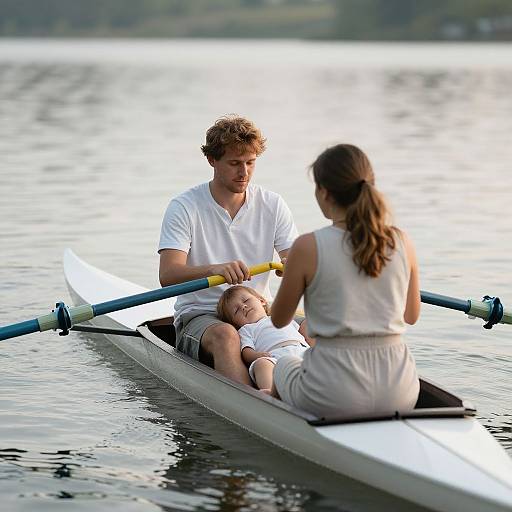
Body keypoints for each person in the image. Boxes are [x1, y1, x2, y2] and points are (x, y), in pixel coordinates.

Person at [270, 143, 421, 418]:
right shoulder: (402, 240)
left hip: (334, 393)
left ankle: (276, 417)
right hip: (402, 390)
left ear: (324, 192)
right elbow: (411, 316)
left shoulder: (307, 246)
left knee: (283, 364)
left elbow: (279, 320)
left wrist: (296, 276)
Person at [158, 115, 298, 386]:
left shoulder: (273, 204)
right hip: (202, 315)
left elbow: (292, 259)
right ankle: (259, 408)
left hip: (257, 311)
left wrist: (293, 267)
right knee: (226, 336)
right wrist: (215, 269)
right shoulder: (184, 207)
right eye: (234, 163)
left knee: (317, 325)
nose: (243, 173)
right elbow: (168, 274)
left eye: (250, 163)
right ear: (212, 160)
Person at [217, 285, 312, 391]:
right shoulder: (246, 330)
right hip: (274, 356)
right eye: (236, 311)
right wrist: (256, 355)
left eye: (246, 300)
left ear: (261, 300)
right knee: (261, 365)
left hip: (301, 349)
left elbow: (299, 333)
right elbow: (246, 350)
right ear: (235, 323)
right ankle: (271, 392)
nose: (243, 307)